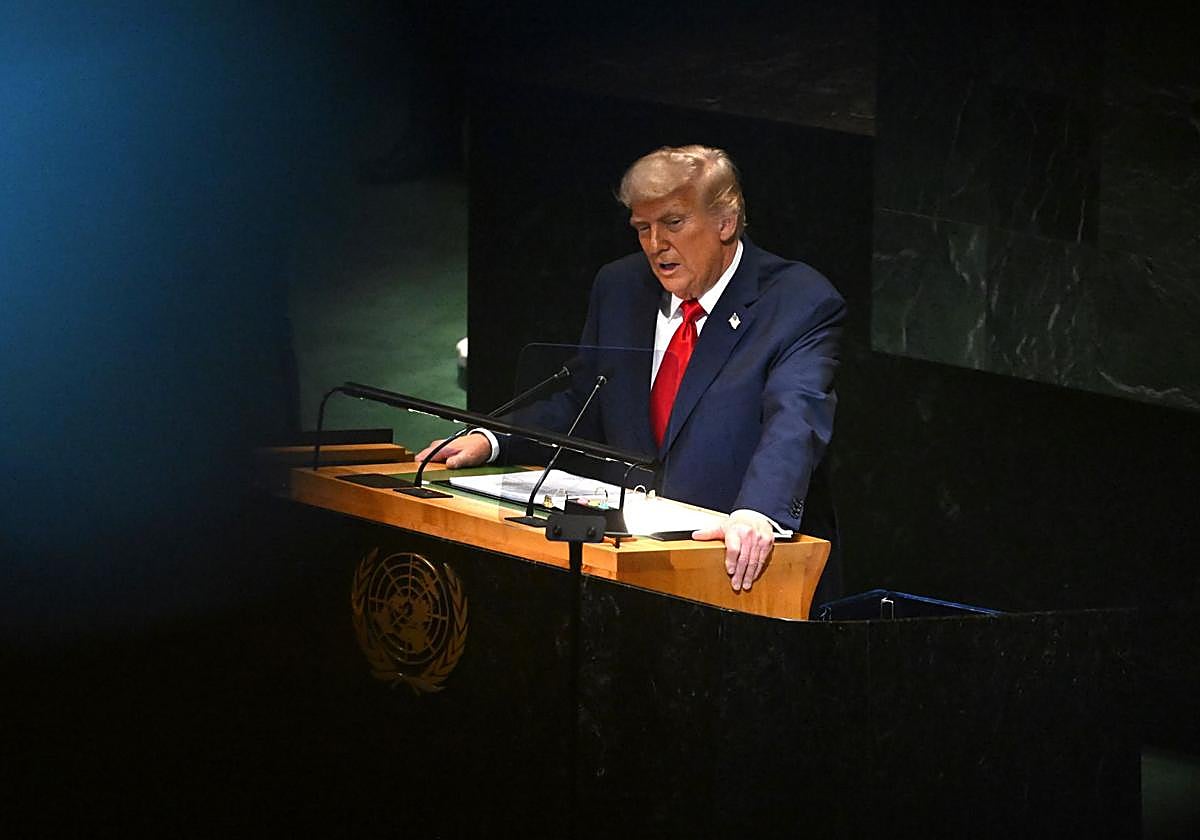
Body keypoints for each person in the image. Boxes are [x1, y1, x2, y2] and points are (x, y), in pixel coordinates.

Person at [418, 145, 845, 600]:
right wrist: (494, 438)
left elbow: (794, 419)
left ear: (725, 221)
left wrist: (757, 513)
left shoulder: (798, 302)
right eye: (643, 228)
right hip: (623, 563)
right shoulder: (620, 287)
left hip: (733, 569)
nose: (656, 244)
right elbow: (581, 397)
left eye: (673, 223)